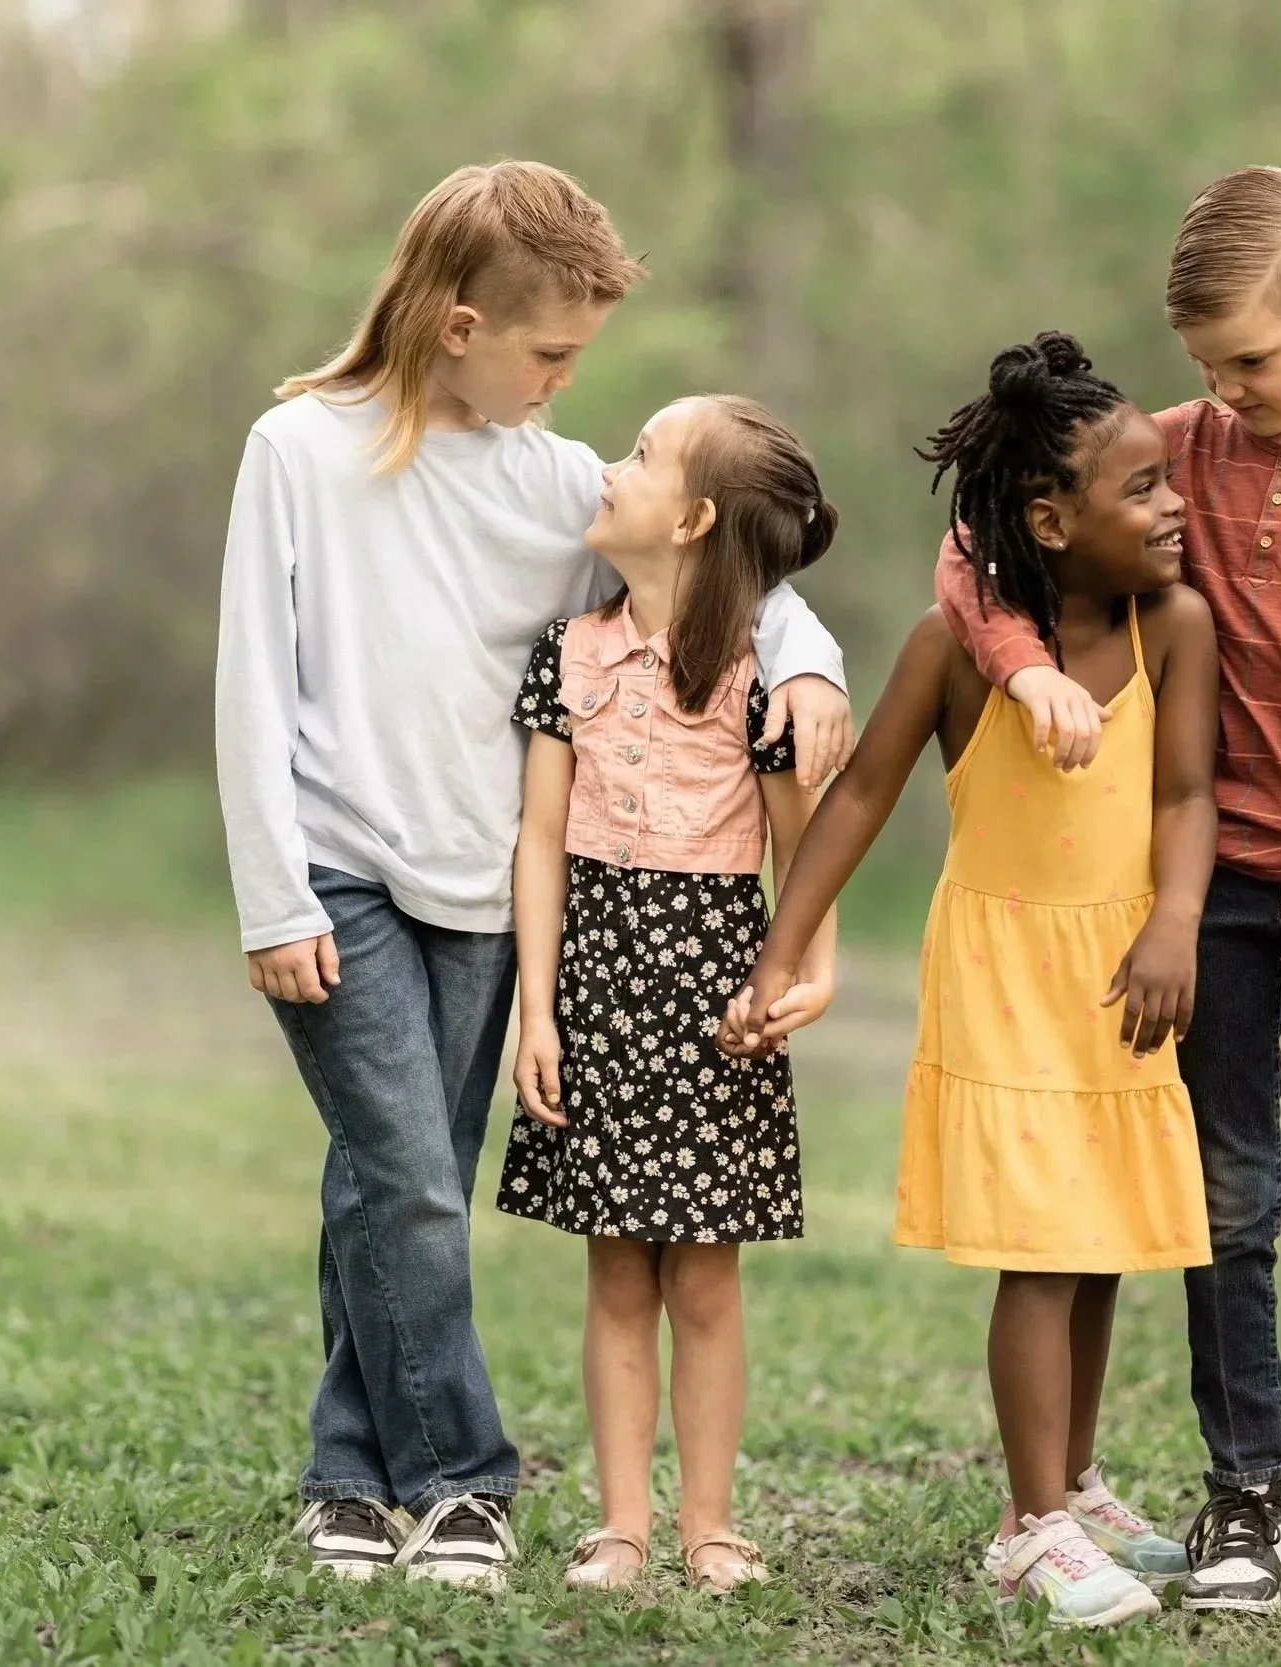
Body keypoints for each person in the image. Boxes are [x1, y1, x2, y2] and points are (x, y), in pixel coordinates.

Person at [214, 160, 853, 1589]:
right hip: (340, 870)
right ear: (459, 326)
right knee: (407, 1180)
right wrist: (273, 892)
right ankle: (462, 1479)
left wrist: (807, 662)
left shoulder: (562, 484)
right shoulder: (298, 452)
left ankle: (347, 1472)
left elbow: (726, 574)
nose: (569, 386)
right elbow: (250, 679)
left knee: (397, 1183)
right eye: (551, 354)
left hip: (491, 895)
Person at [935, 167, 1281, 1613]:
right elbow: (976, 547)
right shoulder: (1180, 450)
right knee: (1226, 1196)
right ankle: (1246, 1486)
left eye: (1251, 360)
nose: (1226, 393)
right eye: (1206, 367)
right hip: (1211, 895)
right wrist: (1027, 670)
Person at [722, 333, 1219, 1629]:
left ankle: (1076, 1483)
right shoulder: (952, 645)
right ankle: (1029, 1525)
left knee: (1101, 1243)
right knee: (1042, 1252)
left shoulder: (1175, 626)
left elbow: (1184, 793)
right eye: (1142, 489)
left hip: (1123, 974)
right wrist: (782, 946)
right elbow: (859, 797)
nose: (1173, 506)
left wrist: (1175, 922)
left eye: (1167, 480)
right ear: (1050, 521)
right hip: (1005, 979)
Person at [497, 394, 839, 1595]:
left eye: (640, 455)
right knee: (615, 1270)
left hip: (713, 993)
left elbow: (803, 845)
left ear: (691, 520)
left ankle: (709, 1526)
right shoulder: (569, 651)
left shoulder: (764, 674)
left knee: (701, 1274)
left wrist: (809, 969)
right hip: (596, 982)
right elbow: (540, 840)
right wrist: (537, 1011)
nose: (611, 466)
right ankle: (622, 1526)